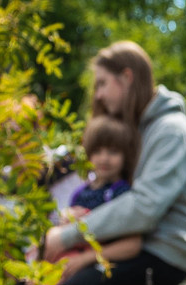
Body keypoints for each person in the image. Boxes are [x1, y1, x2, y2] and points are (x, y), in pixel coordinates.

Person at [36, 42, 186, 285]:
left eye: (102, 83)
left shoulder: (172, 132)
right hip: (130, 246)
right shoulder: (140, 129)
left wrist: (68, 236)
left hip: (160, 254)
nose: (97, 95)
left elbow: (144, 208)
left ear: (126, 77)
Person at [51, 115, 144, 273]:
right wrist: (65, 219)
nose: (104, 159)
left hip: (98, 265)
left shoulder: (121, 192)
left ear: (125, 155)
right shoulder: (80, 193)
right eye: (97, 152)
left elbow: (132, 242)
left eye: (113, 152)